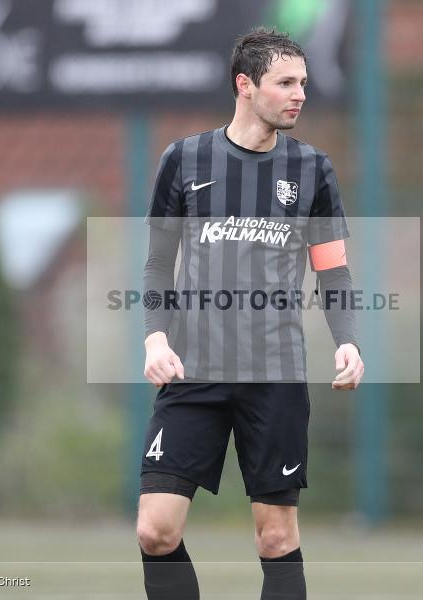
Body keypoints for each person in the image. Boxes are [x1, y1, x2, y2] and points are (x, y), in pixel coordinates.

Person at [137, 27, 364, 600]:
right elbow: (159, 263)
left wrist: (348, 339)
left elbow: (332, 268)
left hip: (276, 375)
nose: (299, 94)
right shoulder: (184, 159)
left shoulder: (313, 170)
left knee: (275, 538)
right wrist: (155, 340)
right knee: (155, 531)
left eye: (304, 83)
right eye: (285, 82)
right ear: (245, 85)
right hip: (194, 372)